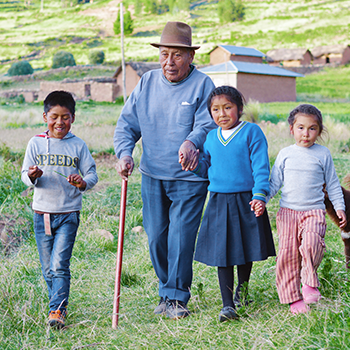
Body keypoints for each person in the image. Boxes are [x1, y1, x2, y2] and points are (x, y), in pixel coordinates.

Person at [113, 21, 216, 319]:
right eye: (164, 54)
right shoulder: (146, 83)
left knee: (181, 237)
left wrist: (191, 141)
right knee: (157, 236)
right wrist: (125, 153)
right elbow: (127, 125)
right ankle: (165, 288)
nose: (169, 62)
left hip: (189, 176)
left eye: (177, 55)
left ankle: (176, 298)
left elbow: (207, 124)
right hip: (152, 174)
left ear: (191, 57)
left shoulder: (203, 85)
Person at [184, 86, 276, 322]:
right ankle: (227, 306)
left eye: (228, 107)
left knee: (245, 249)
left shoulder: (251, 132)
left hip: (246, 199)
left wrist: (259, 195)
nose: (222, 114)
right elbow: (206, 167)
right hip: (218, 201)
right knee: (223, 252)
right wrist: (195, 166)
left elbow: (260, 167)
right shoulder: (211, 137)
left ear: (240, 109)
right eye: (215, 109)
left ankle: (242, 293)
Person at [21, 90, 98, 328]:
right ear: (45, 116)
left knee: (59, 265)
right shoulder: (35, 143)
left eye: (65, 117)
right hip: (41, 214)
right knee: (47, 269)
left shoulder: (78, 145)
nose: (59, 122)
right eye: (54, 116)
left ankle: (56, 311)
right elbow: (24, 175)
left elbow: (92, 173)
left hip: (68, 214)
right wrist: (32, 176)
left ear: (73, 118)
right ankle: (57, 304)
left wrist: (82, 182)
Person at [268, 104, 346, 314]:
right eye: (301, 128)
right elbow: (274, 183)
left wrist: (340, 208)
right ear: (291, 129)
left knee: (312, 242)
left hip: (314, 211)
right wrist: (261, 199)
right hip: (288, 213)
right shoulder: (285, 154)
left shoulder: (323, 154)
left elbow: (332, 184)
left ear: (319, 131)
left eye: (312, 128)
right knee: (288, 254)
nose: (306, 133)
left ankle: (309, 283)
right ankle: (293, 298)